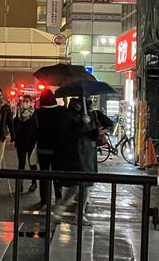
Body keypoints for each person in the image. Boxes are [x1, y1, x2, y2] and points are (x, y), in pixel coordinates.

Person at [55, 97, 103, 226]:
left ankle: (79, 214)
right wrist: (82, 123)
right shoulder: (70, 114)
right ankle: (61, 208)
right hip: (76, 154)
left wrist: (96, 131)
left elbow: (89, 133)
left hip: (87, 154)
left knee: (85, 186)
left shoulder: (89, 113)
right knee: (76, 185)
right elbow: (67, 134)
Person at [36, 89, 66, 205]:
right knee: (57, 174)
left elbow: (34, 131)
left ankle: (44, 199)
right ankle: (58, 197)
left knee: (44, 175)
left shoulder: (38, 113)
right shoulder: (61, 110)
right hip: (58, 149)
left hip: (43, 148)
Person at [14, 95, 38, 192]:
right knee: (21, 163)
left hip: (31, 142)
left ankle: (34, 183)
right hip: (20, 141)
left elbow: (37, 128)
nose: (25, 103)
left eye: (27, 101)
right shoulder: (18, 113)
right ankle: (20, 184)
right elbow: (15, 125)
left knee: (32, 163)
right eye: (24, 101)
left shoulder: (35, 113)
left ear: (31, 102)